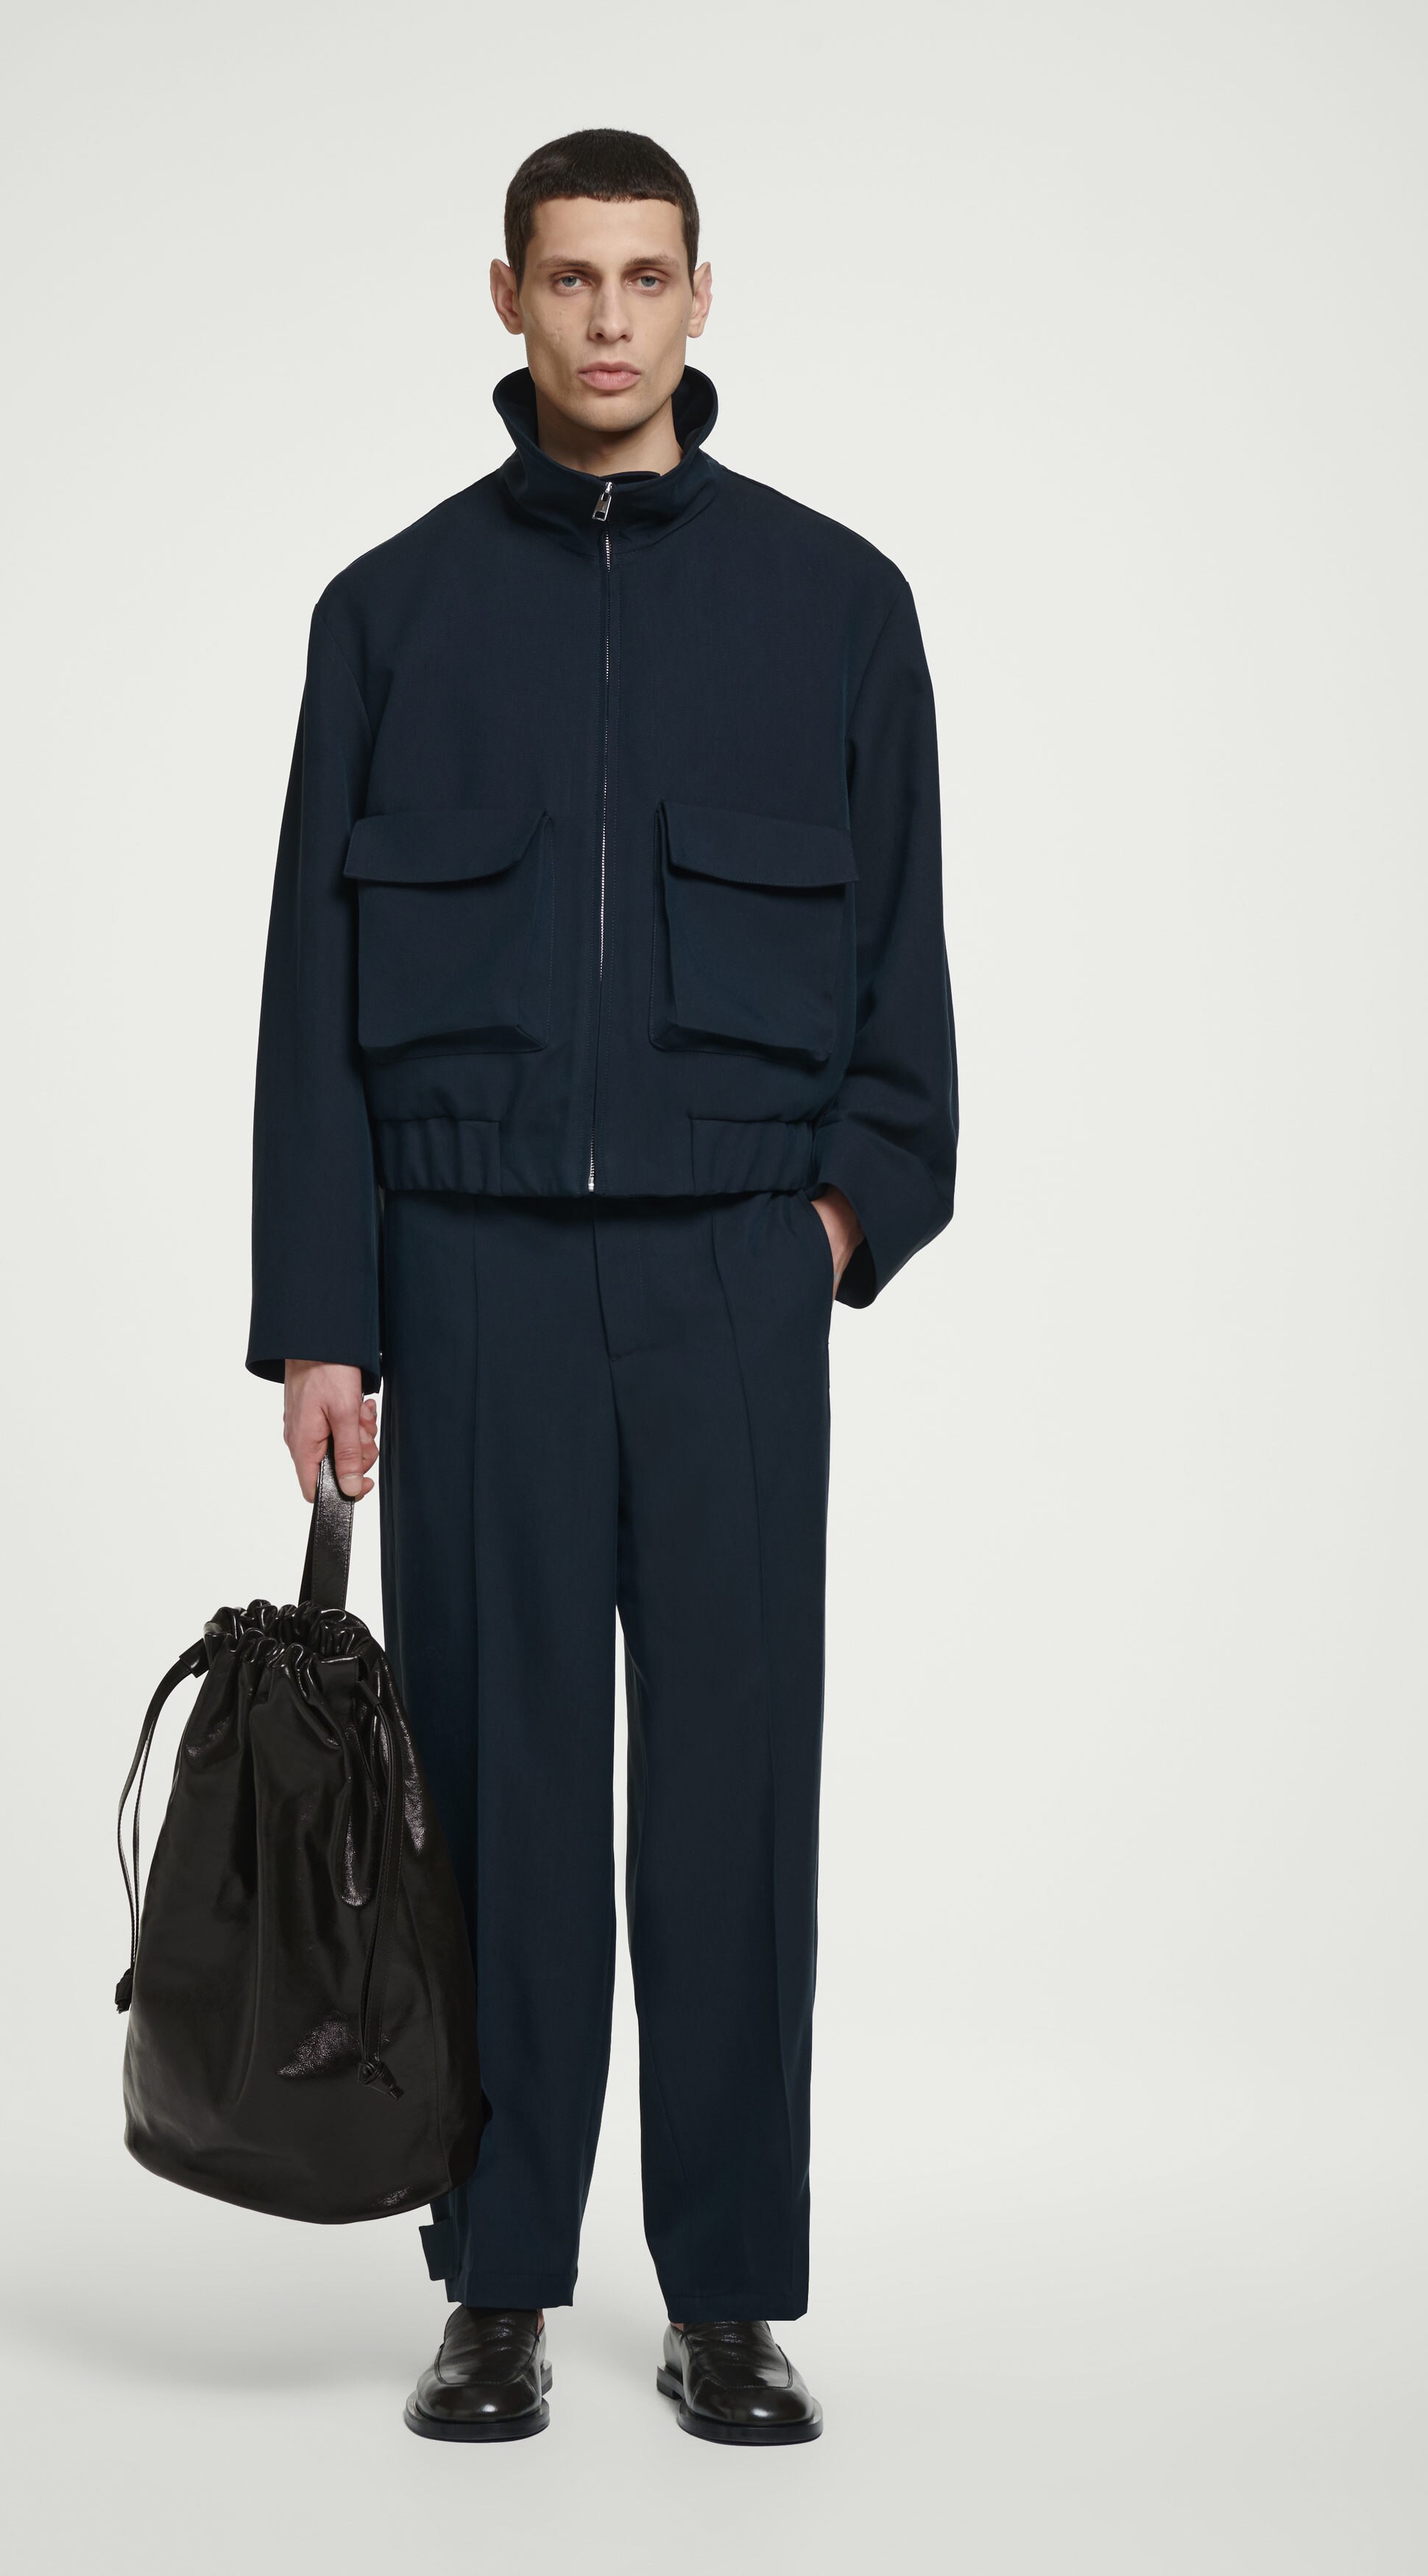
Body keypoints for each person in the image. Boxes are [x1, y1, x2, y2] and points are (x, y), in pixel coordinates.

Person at [248, 127, 956, 2445]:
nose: (612, 320)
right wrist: (327, 1315)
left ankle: (730, 2292)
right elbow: (312, 1002)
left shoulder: (838, 605)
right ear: (508, 298)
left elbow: (904, 985)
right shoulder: (390, 613)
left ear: (702, 296)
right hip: (471, 1284)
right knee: (494, 1795)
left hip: (730, 1281)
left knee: (735, 1800)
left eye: (648, 277)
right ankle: (499, 2279)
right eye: (571, 279)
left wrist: (825, 1225)